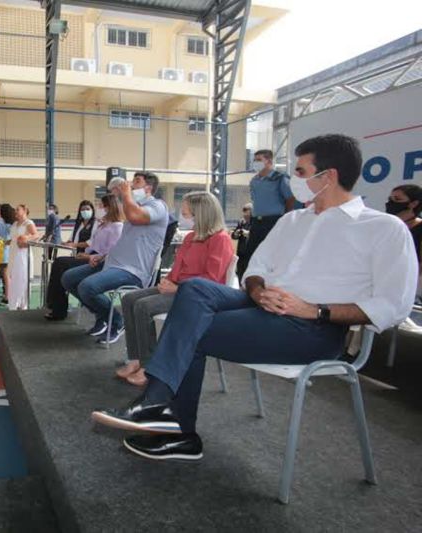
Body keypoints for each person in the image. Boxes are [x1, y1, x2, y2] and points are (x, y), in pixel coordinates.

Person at [92, 134, 418, 461]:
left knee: (191, 328)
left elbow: (392, 304)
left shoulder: (384, 229)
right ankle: (164, 414)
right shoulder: (292, 221)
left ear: (329, 176)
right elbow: (255, 269)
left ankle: (167, 415)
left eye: (301, 172)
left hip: (314, 329)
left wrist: (313, 310)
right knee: (194, 290)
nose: (294, 180)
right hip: (261, 306)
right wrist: (259, 291)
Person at [115, 192, 234, 385]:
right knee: (129, 299)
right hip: (178, 288)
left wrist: (177, 288)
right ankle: (135, 359)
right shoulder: (191, 238)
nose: (182, 216)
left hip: (198, 295)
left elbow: (211, 280)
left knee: (143, 306)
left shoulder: (220, 239)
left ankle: (149, 366)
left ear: (200, 213)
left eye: (186, 213)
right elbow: (178, 269)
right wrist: (167, 281)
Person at [62, 172, 169, 341]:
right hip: (111, 262)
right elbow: (124, 243)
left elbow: (136, 216)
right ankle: (104, 317)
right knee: (69, 278)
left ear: (148, 188)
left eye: (137, 181)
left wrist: (125, 194)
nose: (132, 185)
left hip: (133, 270)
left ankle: (117, 322)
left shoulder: (158, 206)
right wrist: (103, 256)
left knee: (87, 287)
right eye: (132, 181)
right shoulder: (132, 206)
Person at [45, 195, 124, 321]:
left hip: (100, 262)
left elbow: (110, 253)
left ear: (109, 207)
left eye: (100, 206)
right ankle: (56, 305)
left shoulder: (117, 227)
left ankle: (58, 307)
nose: (98, 209)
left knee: (61, 265)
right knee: (61, 267)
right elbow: (94, 244)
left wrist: (88, 256)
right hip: (90, 257)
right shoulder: (103, 225)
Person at [240, 149, 294, 274]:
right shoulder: (254, 180)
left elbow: (290, 198)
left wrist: (285, 216)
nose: (255, 163)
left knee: (272, 254)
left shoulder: (280, 178)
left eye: (259, 160)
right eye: (254, 160)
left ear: (269, 161)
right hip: (257, 222)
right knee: (250, 254)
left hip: (274, 221)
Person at [7, 204, 39, 310]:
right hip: (13, 252)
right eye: (15, 210)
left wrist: (26, 238)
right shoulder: (15, 224)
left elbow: (36, 236)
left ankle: (23, 304)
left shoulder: (29, 223)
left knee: (22, 278)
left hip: (23, 253)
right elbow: (12, 238)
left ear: (24, 211)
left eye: (17, 210)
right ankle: (14, 303)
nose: (15, 212)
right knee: (13, 278)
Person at [231, 203, 252, 280]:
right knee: (240, 275)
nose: (245, 217)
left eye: (247, 216)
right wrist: (236, 233)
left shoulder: (256, 223)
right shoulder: (241, 222)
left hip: (250, 255)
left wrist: (247, 233)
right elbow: (233, 236)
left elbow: (256, 235)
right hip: (241, 254)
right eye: (244, 215)